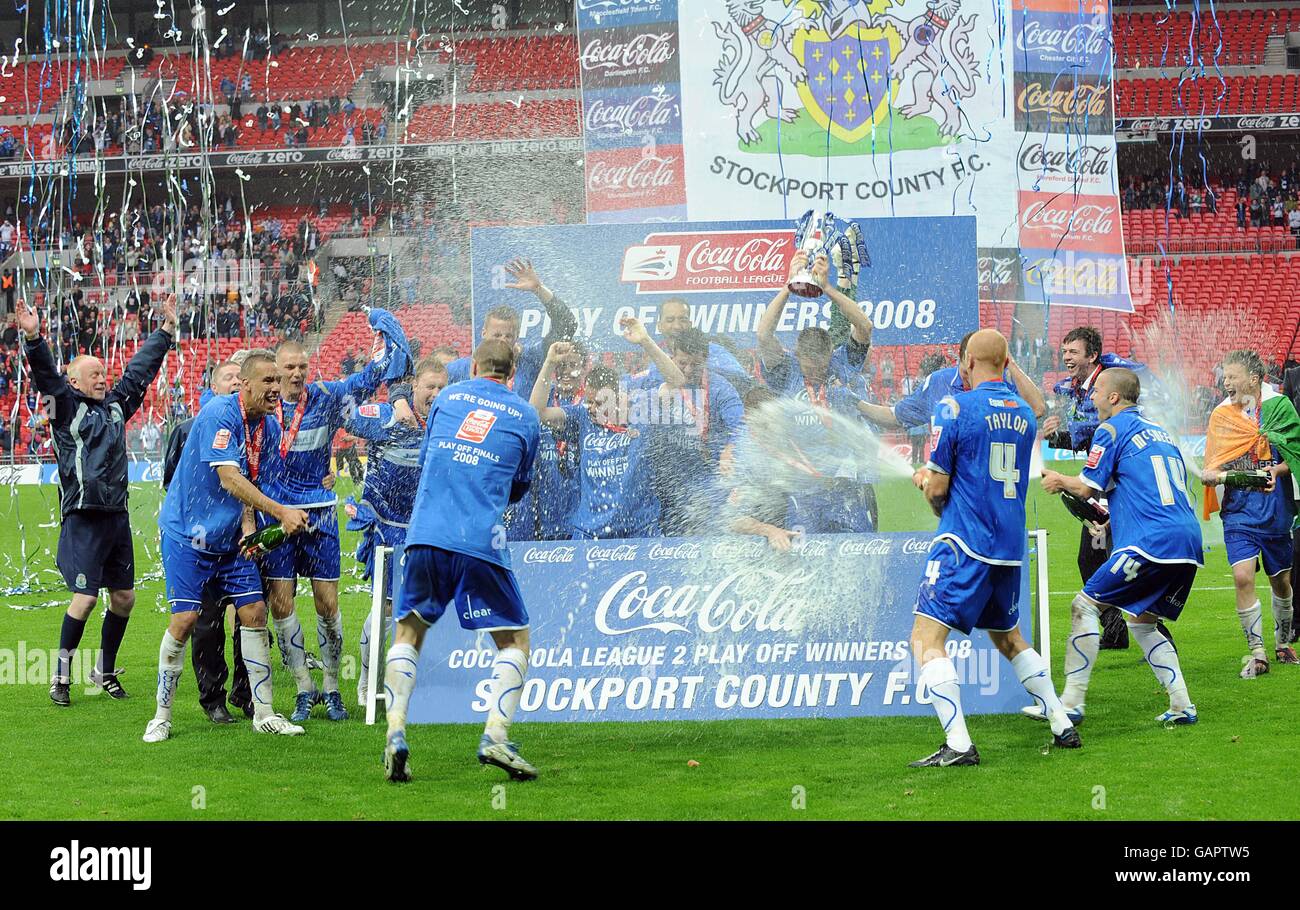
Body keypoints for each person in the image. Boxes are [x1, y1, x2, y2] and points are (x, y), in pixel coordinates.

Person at [909, 329, 1080, 767]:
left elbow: (939, 489)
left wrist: (929, 488)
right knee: (1008, 638)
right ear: (1006, 363)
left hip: (964, 540)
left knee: (926, 638)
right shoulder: (1023, 412)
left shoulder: (955, 407)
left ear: (966, 361)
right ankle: (1060, 722)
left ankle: (960, 744)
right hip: (1008, 546)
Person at [382, 339, 541, 783]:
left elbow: (434, 454)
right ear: (513, 372)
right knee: (514, 642)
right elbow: (518, 486)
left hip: (427, 534)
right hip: (480, 542)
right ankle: (495, 734)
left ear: (472, 366)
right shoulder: (525, 415)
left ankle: (395, 732)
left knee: (409, 632)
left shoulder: (447, 398)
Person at [145, 352, 311, 742]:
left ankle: (265, 713)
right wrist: (281, 511)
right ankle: (161, 715)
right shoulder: (221, 413)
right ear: (246, 385)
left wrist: (254, 527)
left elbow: (254, 486)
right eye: (268, 381)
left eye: (278, 381)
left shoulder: (267, 428)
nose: (276, 388)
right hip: (189, 535)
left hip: (230, 540)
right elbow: (228, 478)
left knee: (254, 612)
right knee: (185, 621)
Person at [20, 296, 176, 708]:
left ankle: (104, 671)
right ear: (75, 382)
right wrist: (35, 338)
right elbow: (45, 379)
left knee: (124, 599)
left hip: (116, 518)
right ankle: (60, 677)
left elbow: (138, 374)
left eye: (104, 373)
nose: (103, 379)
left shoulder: (114, 409)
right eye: (94, 374)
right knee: (86, 599)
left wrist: (165, 333)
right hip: (83, 520)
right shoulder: (63, 408)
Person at [1038, 368, 1203, 725]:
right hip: (1187, 542)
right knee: (1143, 624)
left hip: (1151, 541)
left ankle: (1070, 703)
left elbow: (1085, 487)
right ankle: (1182, 705)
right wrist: (1117, 519)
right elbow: (1150, 486)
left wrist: (1057, 479)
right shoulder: (1160, 433)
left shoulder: (1110, 429)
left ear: (1114, 397)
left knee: (1084, 606)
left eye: (1097, 391)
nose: (1092, 397)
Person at [263, 325, 407, 726]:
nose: (295, 373)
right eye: (288, 367)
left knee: (328, 604)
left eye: (301, 366)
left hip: (321, 510)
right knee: (281, 602)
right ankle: (304, 688)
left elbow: (368, 379)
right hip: (277, 514)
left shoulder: (325, 397)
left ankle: (331, 686)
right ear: (276, 369)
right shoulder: (263, 407)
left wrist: (387, 337)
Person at [1040, 326, 1158, 651]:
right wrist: (1058, 434)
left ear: (1092, 356)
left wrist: (1064, 443)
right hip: (1105, 480)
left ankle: (1146, 629)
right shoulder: (1080, 388)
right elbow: (1087, 435)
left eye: (1073, 351)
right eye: (1063, 351)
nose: (1066, 357)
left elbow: (1101, 431)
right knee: (1092, 557)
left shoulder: (1109, 385)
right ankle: (1120, 629)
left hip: (1120, 486)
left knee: (1113, 558)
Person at [343, 357, 447, 707]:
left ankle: (412, 681)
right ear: (414, 386)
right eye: (429, 386)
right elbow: (343, 416)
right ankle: (366, 681)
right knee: (386, 608)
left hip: (426, 530)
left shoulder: (446, 423)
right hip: (386, 528)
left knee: (423, 610)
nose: (435, 393)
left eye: (441, 387)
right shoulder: (389, 416)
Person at [530, 319, 685, 539]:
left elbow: (677, 380)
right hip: (589, 533)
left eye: (600, 403)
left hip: (639, 532)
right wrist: (549, 363)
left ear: (617, 396)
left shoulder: (641, 410)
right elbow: (536, 413)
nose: (592, 408)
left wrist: (645, 341)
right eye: (590, 401)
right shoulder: (581, 416)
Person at [1201, 350, 1300, 677]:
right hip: (1238, 511)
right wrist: (1211, 472)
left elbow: (1296, 451)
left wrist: (1278, 470)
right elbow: (1215, 460)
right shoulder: (1221, 414)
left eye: (1232, 376)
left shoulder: (1279, 407)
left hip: (1275, 510)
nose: (1226, 382)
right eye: (1224, 376)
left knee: (1281, 582)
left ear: (1254, 378)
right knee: (1243, 577)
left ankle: (1283, 642)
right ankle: (1257, 653)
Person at [162, 358, 251, 723]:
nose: (234, 383)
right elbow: (172, 481)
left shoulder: (255, 427)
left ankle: (247, 694)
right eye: (227, 378)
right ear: (214, 388)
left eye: (238, 378)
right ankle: (212, 697)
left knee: (249, 615)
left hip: (243, 537)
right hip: (200, 540)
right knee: (207, 619)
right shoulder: (188, 429)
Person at [444, 259, 576, 395]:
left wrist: (539, 289)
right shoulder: (458, 369)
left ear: (517, 337)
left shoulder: (532, 359)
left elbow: (567, 324)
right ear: (483, 333)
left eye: (508, 336)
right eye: (496, 335)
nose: (502, 340)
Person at [504, 339, 585, 541]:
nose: (566, 372)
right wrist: (549, 363)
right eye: (561, 366)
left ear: (584, 367)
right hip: (544, 514)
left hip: (580, 520)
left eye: (573, 365)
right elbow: (534, 412)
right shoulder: (544, 399)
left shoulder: (588, 406)